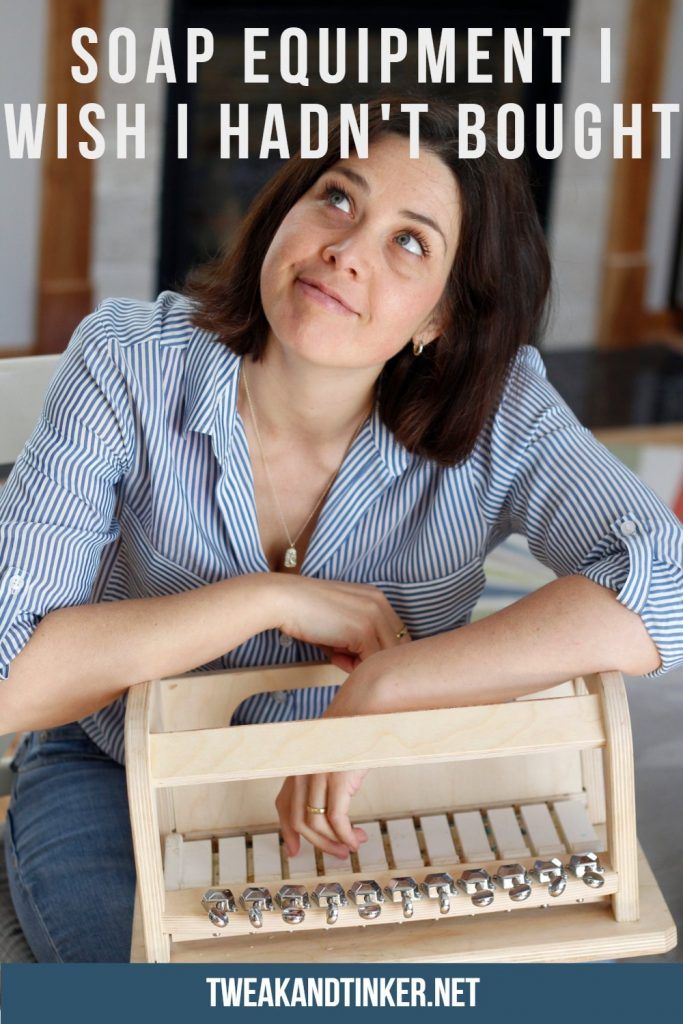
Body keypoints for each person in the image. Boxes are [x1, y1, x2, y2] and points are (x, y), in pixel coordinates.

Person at [0, 98, 681, 963]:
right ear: (285, 211)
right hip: (115, 778)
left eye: (409, 242)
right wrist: (265, 600)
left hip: (364, 791)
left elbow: (664, 579)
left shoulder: (501, 409)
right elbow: (8, 679)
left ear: (439, 318)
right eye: (336, 198)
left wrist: (389, 685)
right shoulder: (129, 362)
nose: (344, 252)